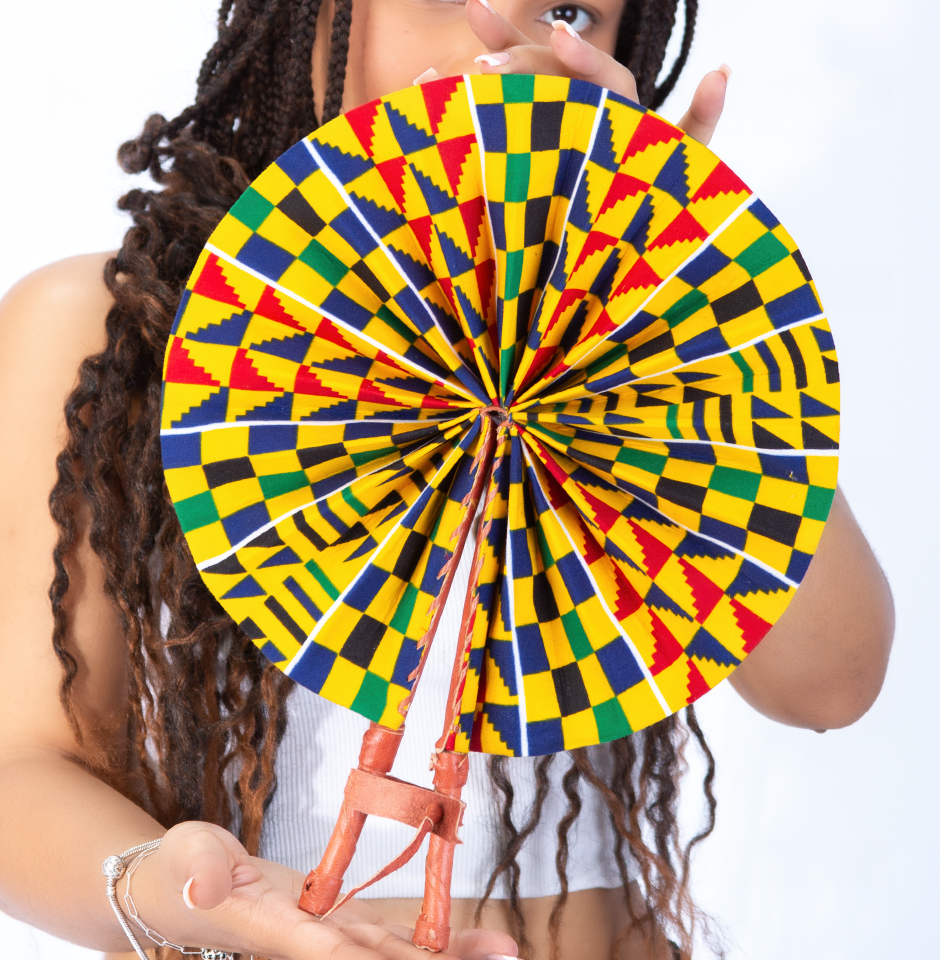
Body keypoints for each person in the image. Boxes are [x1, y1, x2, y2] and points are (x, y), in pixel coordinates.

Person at [0, 1, 895, 959]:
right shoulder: (113, 328)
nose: (498, 45)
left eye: (566, 12)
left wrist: (672, 277)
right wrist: (199, 897)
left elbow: (828, 683)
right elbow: (21, 776)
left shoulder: (628, 344)